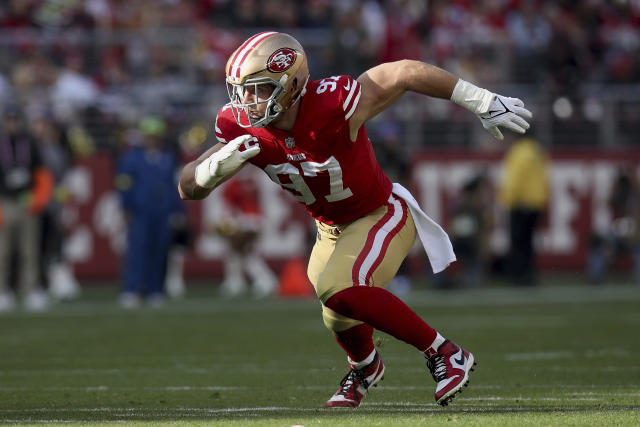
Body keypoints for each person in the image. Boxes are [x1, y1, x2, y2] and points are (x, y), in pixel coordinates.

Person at [178, 32, 532, 407]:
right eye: (241, 91)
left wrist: (478, 99)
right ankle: (365, 367)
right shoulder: (239, 124)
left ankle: (445, 353)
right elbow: (187, 187)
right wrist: (208, 173)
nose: (247, 102)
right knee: (336, 314)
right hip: (330, 230)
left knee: (338, 286)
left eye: (260, 89)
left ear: (293, 83)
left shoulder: (332, 103)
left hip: (380, 214)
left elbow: (403, 72)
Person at [115, 116, 184, 308]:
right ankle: (132, 289)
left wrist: (177, 210)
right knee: (137, 250)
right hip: (140, 211)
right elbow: (124, 185)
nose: (152, 139)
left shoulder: (167, 158)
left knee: (160, 251)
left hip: (162, 212)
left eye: (155, 136)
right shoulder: (131, 158)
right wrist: (125, 207)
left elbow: (174, 186)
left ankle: (156, 289)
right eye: (149, 136)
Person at [0, 105, 54, 311]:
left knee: (29, 250)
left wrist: (39, 199)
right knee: (2, 251)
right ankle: (3, 291)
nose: (13, 123)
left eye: (16, 119)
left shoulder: (30, 142)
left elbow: (41, 173)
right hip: (5, 201)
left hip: (26, 200)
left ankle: (31, 290)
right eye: (10, 119)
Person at [214, 170, 277, 298]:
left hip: (249, 221)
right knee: (241, 252)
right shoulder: (247, 181)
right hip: (250, 221)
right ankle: (240, 282)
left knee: (241, 252)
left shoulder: (239, 183)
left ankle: (259, 280)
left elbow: (231, 208)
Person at [499, 137, 549, 286]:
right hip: (535, 204)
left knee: (518, 242)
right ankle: (529, 274)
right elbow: (545, 178)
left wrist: (508, 200)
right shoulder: (538, 151)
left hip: (520, 203)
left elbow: (514, 179)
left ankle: (518, 275)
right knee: (528, 242)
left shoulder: (519, 152)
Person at [588, 165, 640, 286]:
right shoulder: (621, 194)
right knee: (600, 243)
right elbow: (604, 201)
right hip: (623, 235)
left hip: (635, 237)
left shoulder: (635, 196)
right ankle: (595, 278)